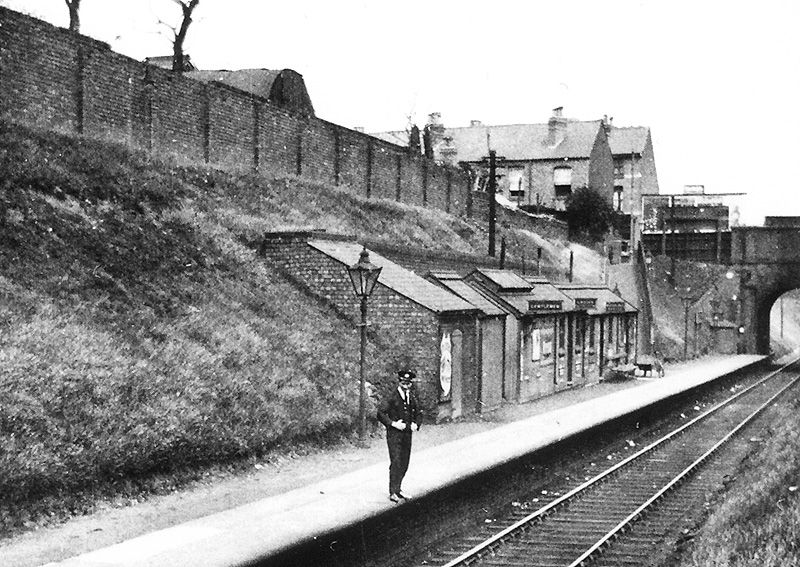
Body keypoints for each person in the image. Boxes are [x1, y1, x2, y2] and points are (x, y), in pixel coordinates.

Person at [377, 369, 421, 503]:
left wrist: (416, 424)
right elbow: (380, 413)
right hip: (395, 434)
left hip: (407, 434)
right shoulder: (392, 397)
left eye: (408, 384)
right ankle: (392, 492)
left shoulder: (411, 398)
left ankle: (399, 488)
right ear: (399, 383)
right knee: (395, 462)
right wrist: (393, 424)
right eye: (403, 383)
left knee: (404, 462)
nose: (406, 386)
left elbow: (419, 413)